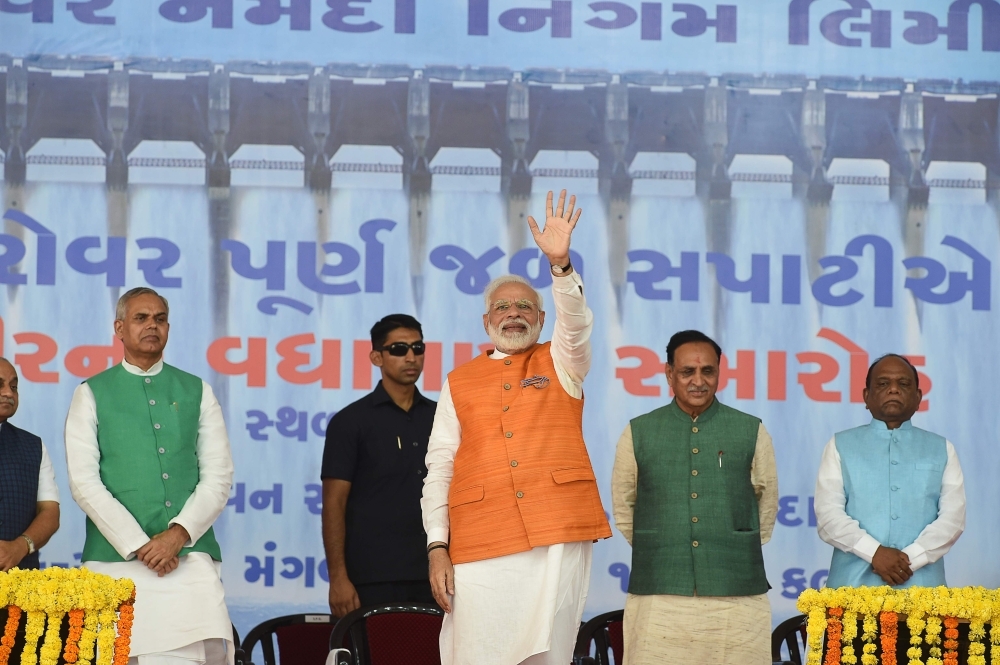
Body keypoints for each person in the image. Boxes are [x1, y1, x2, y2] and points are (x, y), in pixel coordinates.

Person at [421, 190, 611, 665]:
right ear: (486, 320)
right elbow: (439, 467)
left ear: (541, 318)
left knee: (549, 653)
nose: (514, 314)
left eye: (526, 308)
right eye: (503, 308)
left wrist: (561, 265)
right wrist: (437, 545)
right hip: (479, 539)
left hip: (554, 533)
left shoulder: (562, 361)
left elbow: (576, 325)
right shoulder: (458, 380)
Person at [66, 287, 235, 665]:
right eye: (141, 318)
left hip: (189, 563)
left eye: (159, 319)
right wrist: (141, 544)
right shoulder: (91, 392)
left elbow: (218, 476)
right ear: (119, 328)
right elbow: (84, 483)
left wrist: (177, 535)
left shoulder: (197, 390)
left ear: (169, 328)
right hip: (115, 561)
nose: (152, 326)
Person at [611, 330, 777, 665]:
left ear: (719, 372)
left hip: (736, 590)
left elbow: (767, 499)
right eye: (687, 372)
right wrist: (668, 544)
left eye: (708, 371)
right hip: (660, 592)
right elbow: (624, 503)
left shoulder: (750, 428)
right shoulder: (639, 431)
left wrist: (727, 544)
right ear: (669, 373)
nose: (698, 381)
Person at [815, 353, 965, 588]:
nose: (893, 390)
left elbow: (952, 519)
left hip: (923, 590)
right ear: (867, 396)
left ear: (918, 398)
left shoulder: (942, 448)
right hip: (850, 588)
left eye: (903, 384)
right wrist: (874, 553)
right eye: (883, 383)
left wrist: (910, 559)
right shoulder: (840, 445)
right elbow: (828, 516)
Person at [321, 314, 437, 617]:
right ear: (377, 357)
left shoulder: (444, 418)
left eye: (418, 347)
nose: (411, 357)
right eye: (399, 349)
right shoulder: (350, 422)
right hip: (371, 578)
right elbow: (334, 504)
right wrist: (338, 579)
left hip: (436, 571)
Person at [0, 357, 60, 571]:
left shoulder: (33, 446)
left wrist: (19, 547)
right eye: (0, 385)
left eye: (13, 387)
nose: (8, 393)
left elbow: (50, 512)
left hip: (20, 588)